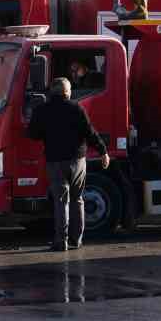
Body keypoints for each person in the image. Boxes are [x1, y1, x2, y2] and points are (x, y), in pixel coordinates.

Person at [25, 77, 110, 250]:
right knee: (77, 199)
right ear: (66, 92)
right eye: (69, 89)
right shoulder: (76, 108)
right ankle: (76, 240)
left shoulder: (42, 110)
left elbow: (32, 134)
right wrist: (103, 152)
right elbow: (90, 132)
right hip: (77, 160)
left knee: (61, 201)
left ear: (52, 92)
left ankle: (60, 241)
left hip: (55, 161)